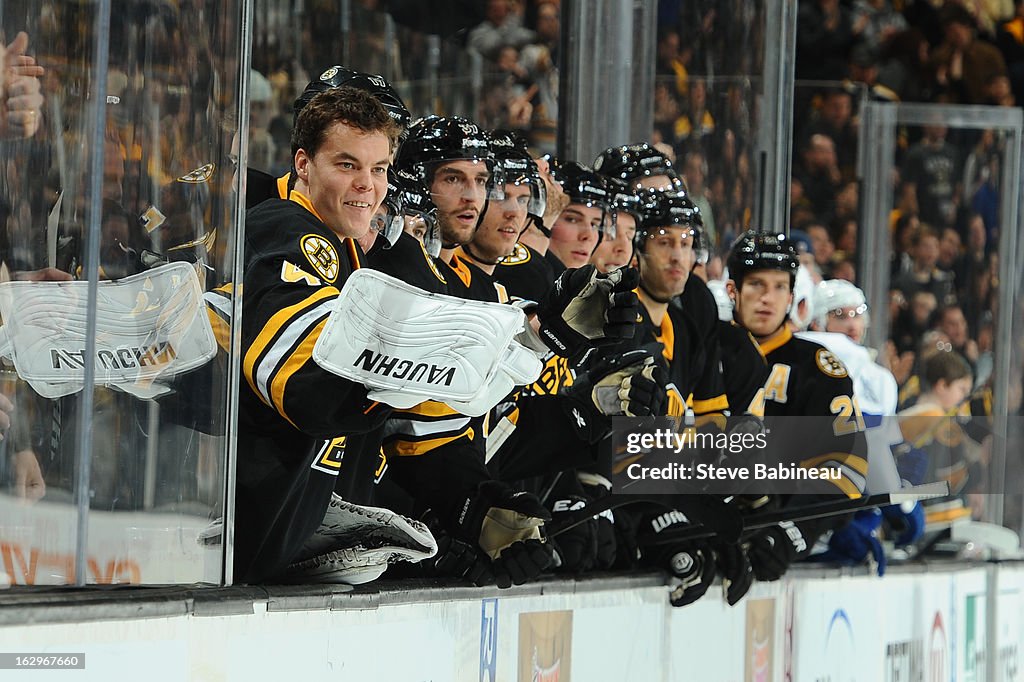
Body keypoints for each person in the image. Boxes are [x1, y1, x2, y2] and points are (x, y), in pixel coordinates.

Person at [233, 86, 423, 583]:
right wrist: (415, 371)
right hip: (236, 525)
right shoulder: (288, 229)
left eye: (378, 169)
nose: (367, 185)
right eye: (347, 165)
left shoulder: (344, 250)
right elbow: (309, 392)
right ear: (303, 165)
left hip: (278, 521)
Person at [724, 231, 868, 582]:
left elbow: (846, 468)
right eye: (756, 284)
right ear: (733, 291)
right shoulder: (703, 352)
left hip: (782, 552)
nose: (766, 299)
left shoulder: (818, 367)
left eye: (778, 288)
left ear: (791, 296)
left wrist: (793, 530)